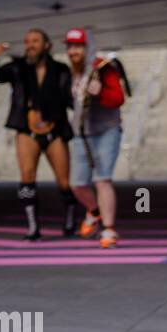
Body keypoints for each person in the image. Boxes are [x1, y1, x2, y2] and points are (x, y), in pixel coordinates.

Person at [0, 29, 76, 241]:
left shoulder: (61, 70)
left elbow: (71, 100)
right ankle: (32, 225)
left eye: (35, 41)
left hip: (55, 131)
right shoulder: (18, 68)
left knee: (64, 181)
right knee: (27, 178)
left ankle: (70, 217)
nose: (30, 45)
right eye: (27, 42)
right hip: (26, 130)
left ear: (47, 45)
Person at [65, 28, 128, 249]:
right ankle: (95, 211)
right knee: (77, 184)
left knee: (102, 179)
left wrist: (101, 92)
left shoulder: (102, 68)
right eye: (70, 46)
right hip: (82, 133)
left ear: (88, 47)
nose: (73, 51)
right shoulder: (72, 73)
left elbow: (118, 98)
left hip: (106, 130)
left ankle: (109, 230)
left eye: (78, 46)